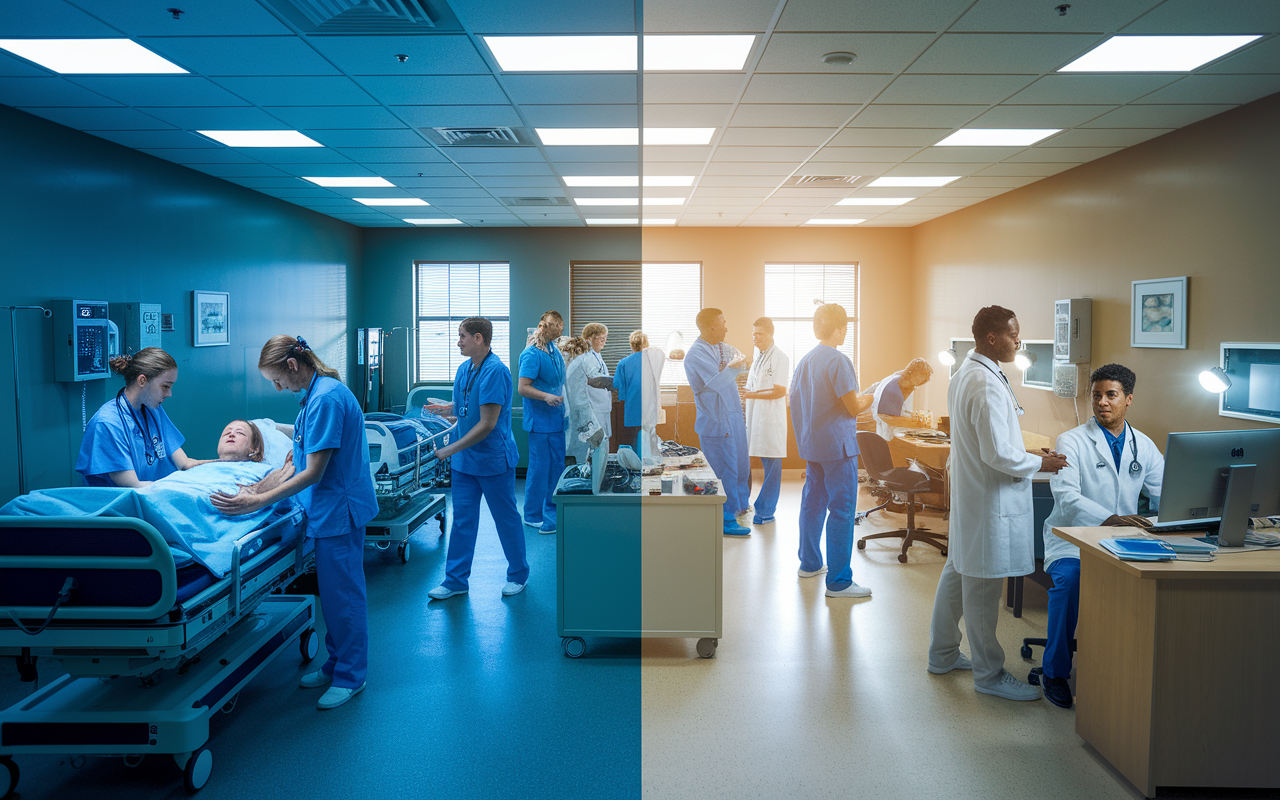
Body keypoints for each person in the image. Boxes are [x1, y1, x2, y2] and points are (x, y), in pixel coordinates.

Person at [211, 335, 378, 711]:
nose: (277, 387)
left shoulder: (326, 399)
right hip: (327, 509)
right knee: (334, 598)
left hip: (340, 510)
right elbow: (302, 458)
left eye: (276, 379)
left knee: (344, 597)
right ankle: (337, 663)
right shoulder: (316, 394)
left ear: (291, 365)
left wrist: (257, 499)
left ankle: (352, 675)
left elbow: (315, 473)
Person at [927, 306, 1068, 701]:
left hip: (973, 498)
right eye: (1014, 335)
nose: (1018, 342)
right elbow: (997, 455)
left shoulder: (967, 373)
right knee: (984, 591)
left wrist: (1027, 451)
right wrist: (1042, 462)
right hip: (988, 504)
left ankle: (942, 654)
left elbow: (989, 442)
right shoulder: (984, 383)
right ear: (992, 338)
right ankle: (989, 675)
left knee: (956, 574)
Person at [1038, 363, 1162, 708]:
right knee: (1071, 581)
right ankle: (1055, 672)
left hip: (1125, 539)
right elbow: (1067, 496)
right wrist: (1113, 518)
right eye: (1097, 395)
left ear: (1129, 399)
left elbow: (1165, 491)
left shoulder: (1144, 445)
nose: (1102, 402)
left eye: (1111, 395)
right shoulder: (1072, 440)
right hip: (1072, 538)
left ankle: (1129, 669)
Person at [426, 317, 529, 601]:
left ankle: (518, 574)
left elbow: (487, 424)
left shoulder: (496, 371)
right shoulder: (464, 368)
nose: (458, 341)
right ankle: (455, 580)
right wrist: (446, 410)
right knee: (462, 521)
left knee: (505, 519)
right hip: (465, 464)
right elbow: (464, 408)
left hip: (493, 460)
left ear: (479, 338)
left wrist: (449, 450)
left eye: (462, 336)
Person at [790, 304, 874, 597]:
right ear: (839, 329)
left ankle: (810, 563)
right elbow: (853, 406)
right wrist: (870, 398)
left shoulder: (805, 361)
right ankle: (839, 581)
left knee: (812, 504)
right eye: (845, 328)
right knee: (842, 509)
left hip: (813, 446)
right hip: (838, 448)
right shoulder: (838, 360)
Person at [76, 348, 211, 487]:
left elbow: (185, 463)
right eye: (165, 386)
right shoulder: (107, 423)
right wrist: (182, 488)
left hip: (152, 495)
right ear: (142, 381)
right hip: (120, 503)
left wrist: (225, 463)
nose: (169, 394)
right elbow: (134, 486)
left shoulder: (152, 410)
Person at [684, 308, 751, 536]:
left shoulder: (720, 347)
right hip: (716, 421)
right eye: (723, 323)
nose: (726, 327)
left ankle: (740, 506)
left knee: (741, 466)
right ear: (712, 326)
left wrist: (734, 365)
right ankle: (725, 519)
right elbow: (716, 382)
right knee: (725, 471)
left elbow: (741, 360)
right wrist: (731, 368)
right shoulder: (695, 354)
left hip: (732, 417)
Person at [518, 310, 567, 534]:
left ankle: (553, 511)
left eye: (560, 324)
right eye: (554, 325)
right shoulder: (532, 354)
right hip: (540, 422)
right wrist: (546, 397)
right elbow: (523, 387)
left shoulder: (553, 350)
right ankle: (532, 515)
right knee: (540, 469)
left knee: (556, 468)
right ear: (543, 326)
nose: (559, 329)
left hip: (555, 420)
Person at [740, 317, 789, 526]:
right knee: (760, 462)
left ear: (771, 334)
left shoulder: (780, 358)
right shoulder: (758, 357)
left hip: (771, 420)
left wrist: (751, 396)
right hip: (756, 417)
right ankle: (754, 505)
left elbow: (780, 391)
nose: (755, 337)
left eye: (759, 333)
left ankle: (766, 511)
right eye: (753, 333)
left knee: (772, 466)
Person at [613, 331, 665, 458]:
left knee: (634, 443)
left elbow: (617, 385)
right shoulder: (653, 361)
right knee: (650, 442)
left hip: (632, 408)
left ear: (631, 345)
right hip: (650, 408)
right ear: (646, 343)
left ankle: (636, 469)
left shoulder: (623, 363)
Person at [865, 358, 934, 441]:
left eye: (922, 379)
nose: (919, 381)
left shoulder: (903, 384)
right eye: (919, 376)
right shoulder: (894, 389)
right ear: (912, 371)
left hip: (889, 433)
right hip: (887, 435)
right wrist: (916, 423)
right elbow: (887, 417)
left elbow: (900, 411)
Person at [561, 336, 603, 464]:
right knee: (577, 452)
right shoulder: (579, 363)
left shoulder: (576, 364)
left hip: (578, 414)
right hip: (579, 414)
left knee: (576, 450)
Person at [580, 323, 614, 444]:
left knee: (604, 441)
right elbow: (597, 380)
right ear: (589, 338)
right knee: (597, 443)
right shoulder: (586, 358)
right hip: (594, 408)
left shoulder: (597, 356)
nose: (604, 340)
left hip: (602, 407)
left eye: (605, 336)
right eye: (600, 337)